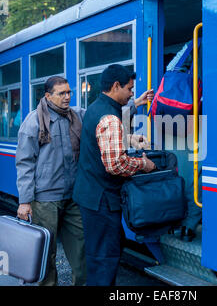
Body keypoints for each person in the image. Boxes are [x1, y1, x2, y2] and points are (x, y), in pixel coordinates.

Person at [72, 64, 156, 286]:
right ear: (116, 86)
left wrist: (128, 140)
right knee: (104, 259)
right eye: (129, 89)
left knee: (104, 250)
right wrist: (144, 164)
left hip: (91, 195)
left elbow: (101, 143)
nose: (131, 94)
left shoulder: (96, 107)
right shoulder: (109, 117)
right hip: (102, 200)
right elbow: (116, 165)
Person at [15, 76, 86, 286]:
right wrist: (25, 201)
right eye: (61, 93)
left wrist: (133, 105)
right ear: (48, 96)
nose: (67, 97)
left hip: (73, 196)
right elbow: (25, 163)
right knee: (47, 255)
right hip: (45, 200)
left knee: (82, 251)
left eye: (69, 92)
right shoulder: (34, 121)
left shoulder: (76, 116)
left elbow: (101, 117)